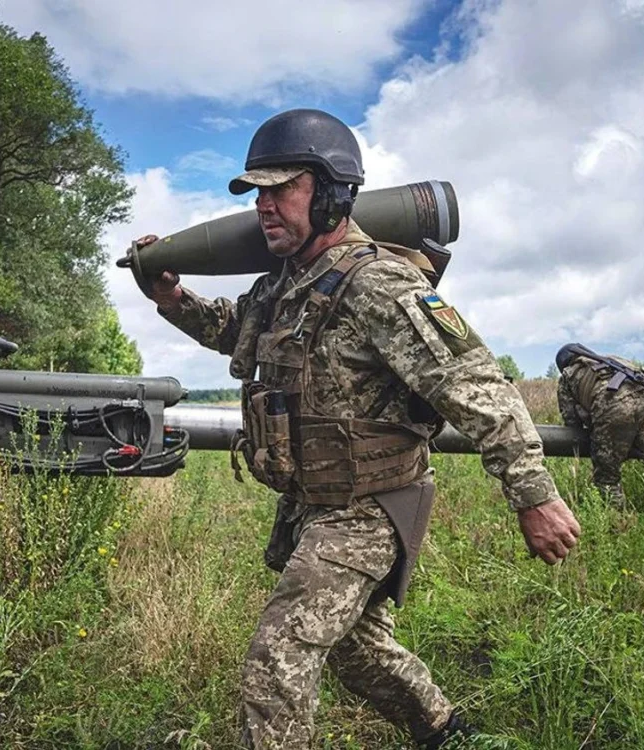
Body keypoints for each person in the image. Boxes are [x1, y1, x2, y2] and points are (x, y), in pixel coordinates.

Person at [130, 109, 581, 749]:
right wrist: (173, 300)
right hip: (313, 502)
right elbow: (238, 331)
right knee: (357, 649)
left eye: (281, 188)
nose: (263, 206)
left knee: (280, 654)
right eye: (257, 193)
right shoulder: (284, 283)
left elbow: (477, 387)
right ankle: (446, 732)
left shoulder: (380, 283)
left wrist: (534, 496)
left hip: (370, 507)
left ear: (332, 194)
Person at [555, 344, 644, 524]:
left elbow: (571, 420)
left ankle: (617, 527)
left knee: (607, 479)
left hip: (613, 410)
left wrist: (594, 430)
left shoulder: (568, 374)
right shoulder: (612, 359)